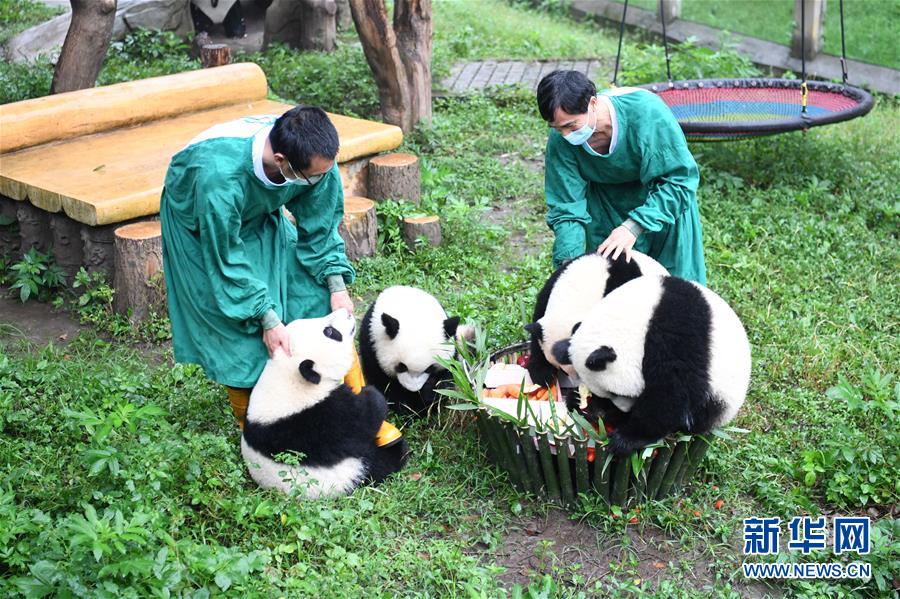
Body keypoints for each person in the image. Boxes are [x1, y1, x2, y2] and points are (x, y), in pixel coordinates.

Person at [160, 106, 355, 428]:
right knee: (239, 330)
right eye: (316, 175)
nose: (324, 177)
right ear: (281, 161)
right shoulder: (218, 177)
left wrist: (337, 287)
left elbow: (320, 225)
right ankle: (258, 434)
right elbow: (226, 257)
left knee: (315, 295)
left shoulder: (314, 158)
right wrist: (267, 318)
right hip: (201, 227)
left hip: (256, 212)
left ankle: (351, 408)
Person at [537, 70, 706, 285]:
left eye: (571, 126)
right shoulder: (561, 140)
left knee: (675, 290)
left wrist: (633, 227)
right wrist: (568, 264)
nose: (566, 136)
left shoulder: (647, 114)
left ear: (593, 103)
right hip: (605, 207)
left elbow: (680, 180)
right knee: (608, 288)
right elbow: (566, 206)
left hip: (662, 202)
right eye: (557, 129)